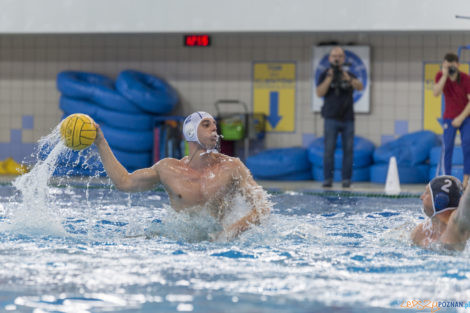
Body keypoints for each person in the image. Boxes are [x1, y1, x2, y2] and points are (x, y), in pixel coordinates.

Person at [93, 111, 271, 241]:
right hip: (178, 242)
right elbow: (124, 182)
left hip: (218, 246)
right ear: (191, 132)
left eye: (215, 126)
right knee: (128, 239)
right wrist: (101, 142)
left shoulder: (232, 167)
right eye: (206, 125)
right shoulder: (169, 170)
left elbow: (263, 207)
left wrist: (229, 233)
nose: (214, 129)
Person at [316, 46, 364, 188]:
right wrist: (330, 77)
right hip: (330, 118)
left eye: (340, 56)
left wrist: (347, 77)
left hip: (348, 119)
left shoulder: (349, 74)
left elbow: (360, 86)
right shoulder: (325, 74)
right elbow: (319, 92)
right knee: (328, 150)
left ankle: (346, 180)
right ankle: (327, 179)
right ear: (330, 58)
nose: (337, 58)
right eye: (334, 56)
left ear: (343, 59)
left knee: (348, 150)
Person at [433, 52, 470, 189]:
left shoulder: (466, 78)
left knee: (467, 144)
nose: (451, 69)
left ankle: (466, 180)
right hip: (449, 117)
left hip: (466, 117)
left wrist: (460, 118)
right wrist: (444, 75)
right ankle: (446, 179)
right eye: (447, 66)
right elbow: (436, 93)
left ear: (458, 65)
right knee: (447, 147)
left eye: (452, 67)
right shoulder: (440, 76)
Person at [411, 175, 470, 251]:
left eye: (426, 192)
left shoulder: (455, 227)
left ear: (440, 200)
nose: (421, 197)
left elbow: (467, 200)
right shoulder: (421, 231)